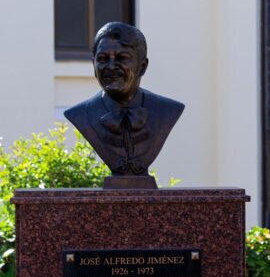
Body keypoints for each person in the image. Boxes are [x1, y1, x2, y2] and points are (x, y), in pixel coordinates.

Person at [64, 22, 184, 187]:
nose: (111, 67)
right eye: (103, 59)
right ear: (93, 65)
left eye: (122, 58)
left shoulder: (167, 111)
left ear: (142, 66)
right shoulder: (81, 114)